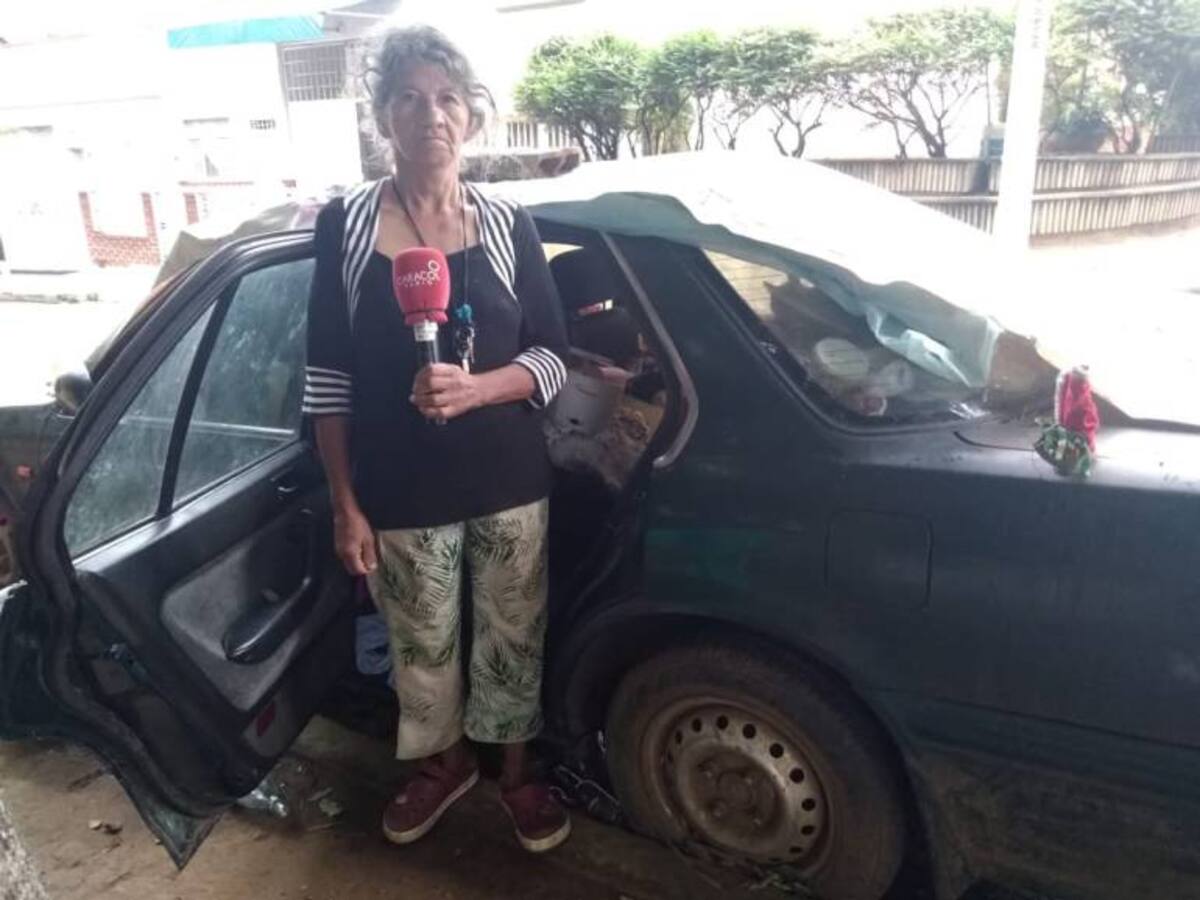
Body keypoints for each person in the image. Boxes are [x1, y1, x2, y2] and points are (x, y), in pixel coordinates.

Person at [302, 25, 571, 853]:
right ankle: (446, 764)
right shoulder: (346, 226)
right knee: (421, 645)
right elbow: (327, 381)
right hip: (400, 492)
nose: (432, 115)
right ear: (385, 117)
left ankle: (516, 774)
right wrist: (346, 505)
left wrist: (480, 386)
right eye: (411, 99)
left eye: (449, 99)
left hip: (508, 482)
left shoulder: (505, 221)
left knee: (512, 638)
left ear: (474, 120)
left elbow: (556, 356)